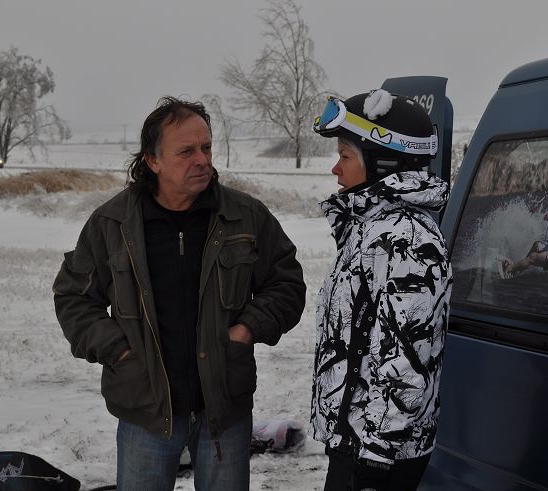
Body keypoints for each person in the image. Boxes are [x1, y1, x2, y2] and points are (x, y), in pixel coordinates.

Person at [52, 96, 305, 491]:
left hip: (224, 409)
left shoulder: (245, 216)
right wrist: (119, 351)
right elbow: (74, 298)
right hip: (146, 411)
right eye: (186, 151)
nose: (202, 160)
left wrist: (246, 330)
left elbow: (286, 283)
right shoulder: (112, 225)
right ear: (152, 160)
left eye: (206, 147)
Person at [309, 89, 453, 491]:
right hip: (357, 438)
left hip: (377, 452)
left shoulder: (407, 240)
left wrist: (377, 453)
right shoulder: (371, 228)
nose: (336, 169)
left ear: (383, 162)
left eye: (345, 156)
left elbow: (407, 355)